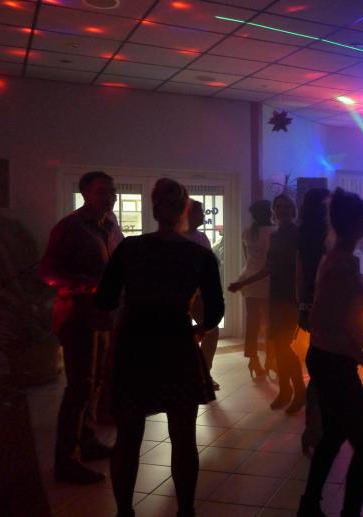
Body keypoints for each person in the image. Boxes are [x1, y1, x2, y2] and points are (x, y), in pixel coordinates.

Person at [95, 178, 224, 517]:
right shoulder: (199, 255)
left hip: (134, 343)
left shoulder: (130, 249)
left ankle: (125, 511)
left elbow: (105, 299)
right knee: (183, 436)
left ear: (153, 209)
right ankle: (185, 510)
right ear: (184, 210)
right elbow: (214, 313)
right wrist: (197, 328)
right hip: (176, 344)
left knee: (128, 437)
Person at [298, 188, 363, 517]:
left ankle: (309, 506)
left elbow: (339, 305)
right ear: (354, 226)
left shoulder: (340, 259)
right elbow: (323, 324)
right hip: (333, 361)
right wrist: (360, 355)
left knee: (335, 433)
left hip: (330, 358)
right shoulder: (339, 263)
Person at [39, 170, 123, 484]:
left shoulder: (109, 225)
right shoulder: (70, 227)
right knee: (79, 387)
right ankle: (66, 460)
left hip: (102, 316)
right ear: (85, 193)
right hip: (77, 317)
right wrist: (87, 286)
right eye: (102, 191)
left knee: (95, 383)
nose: (109, 197)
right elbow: (48, 271)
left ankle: (87, 441)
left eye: (112, 191)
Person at [229, 194, 304, 414]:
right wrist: (243, 282)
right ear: (273, 211)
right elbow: (269, 267)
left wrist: (304, 298)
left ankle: (298, 391)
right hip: (276, 294)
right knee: (278, 344)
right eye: (278, 207)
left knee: (283, 344)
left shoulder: (298, 234)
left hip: (291, 297)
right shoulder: (275, 236)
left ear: (293, 210)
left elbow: (303, 267)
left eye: (287, 207)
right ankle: (286, 390)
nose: (282, 210)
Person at [295, 187, 331, 455]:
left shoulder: (304, 232)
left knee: (321, 364)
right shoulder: (323, 234)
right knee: (323, 367)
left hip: (313, 304)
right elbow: (305, 272)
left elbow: (300, 274)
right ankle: (315, 429)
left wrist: (303, 307)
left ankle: (316, 427)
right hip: (326, 304)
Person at [234, 200, 276, 381]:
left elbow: (247, 258)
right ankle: (271, 360)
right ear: (270, 212)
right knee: (270, 324)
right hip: (266, 279)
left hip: (248, 278)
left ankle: (253, 360)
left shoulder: (247, 232)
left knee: (252, 323)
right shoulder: (274, 232)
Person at [184, 199, 221, 391]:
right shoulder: (179, 237)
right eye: (199, 212)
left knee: (211, 330)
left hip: (199, 295)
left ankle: (204, 373)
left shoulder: (201, 237)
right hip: (183, 296)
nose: (203, 215)